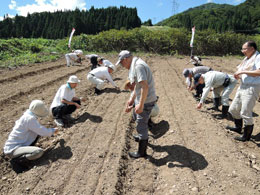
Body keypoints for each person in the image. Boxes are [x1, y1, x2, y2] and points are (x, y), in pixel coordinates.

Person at [116, 50, 157, 158]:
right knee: (136, 115)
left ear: (125, 59)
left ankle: (141, 153)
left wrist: (141, 105)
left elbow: (145, 87)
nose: (122, 66)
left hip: (146, 100)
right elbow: (137, 87)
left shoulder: (138, 66)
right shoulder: (135, 64)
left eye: (121, 63)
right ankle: (141, 136)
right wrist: (132, 100)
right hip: (143, 98)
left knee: (141, 125)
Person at [3, 100, 58, 166]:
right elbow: (42, 132)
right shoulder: (29, 119)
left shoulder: (27, 116)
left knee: (36, 134)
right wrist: (53, 130)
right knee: (38, 152)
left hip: (18, 146)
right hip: (13, 149)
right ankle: (17, 162)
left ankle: (27, 153)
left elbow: (39, 130)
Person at [226, 41, 260, 142]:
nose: (243, 51)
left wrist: (243, 71)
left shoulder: (258, 57)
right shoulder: (247, 59)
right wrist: (238, 75)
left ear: (252, 49)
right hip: (243, 86)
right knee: (233, 109)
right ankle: (238, 127)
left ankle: (246, 136)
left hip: (252, 87)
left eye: (244, 49)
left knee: (245, 112)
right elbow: (242, 71)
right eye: (242, 49)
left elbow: (259, 71)